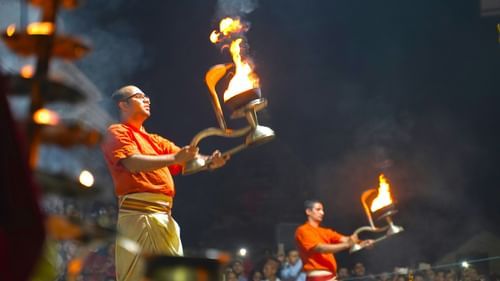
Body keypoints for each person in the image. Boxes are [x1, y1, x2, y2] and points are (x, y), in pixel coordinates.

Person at [101, 85, 228, 281]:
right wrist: (175, 159)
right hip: (139, 217)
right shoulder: (116, 132)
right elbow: (132, 163)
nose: (147, 99)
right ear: (123, 105)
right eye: (140, 96)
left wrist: (209, 162)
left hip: (164, 218)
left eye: (147, 96)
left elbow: (187, 162)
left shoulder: (156, 141)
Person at [295, 200, 373, 281]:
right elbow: (320, 248)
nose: (322, 213)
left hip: (332, 277)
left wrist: (362, 243)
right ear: (308, 211)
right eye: (318, 209)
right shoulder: (303, 230)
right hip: (318, 278)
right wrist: (347, 244)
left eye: (322, 210)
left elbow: (346, 239)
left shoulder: (326, 232)